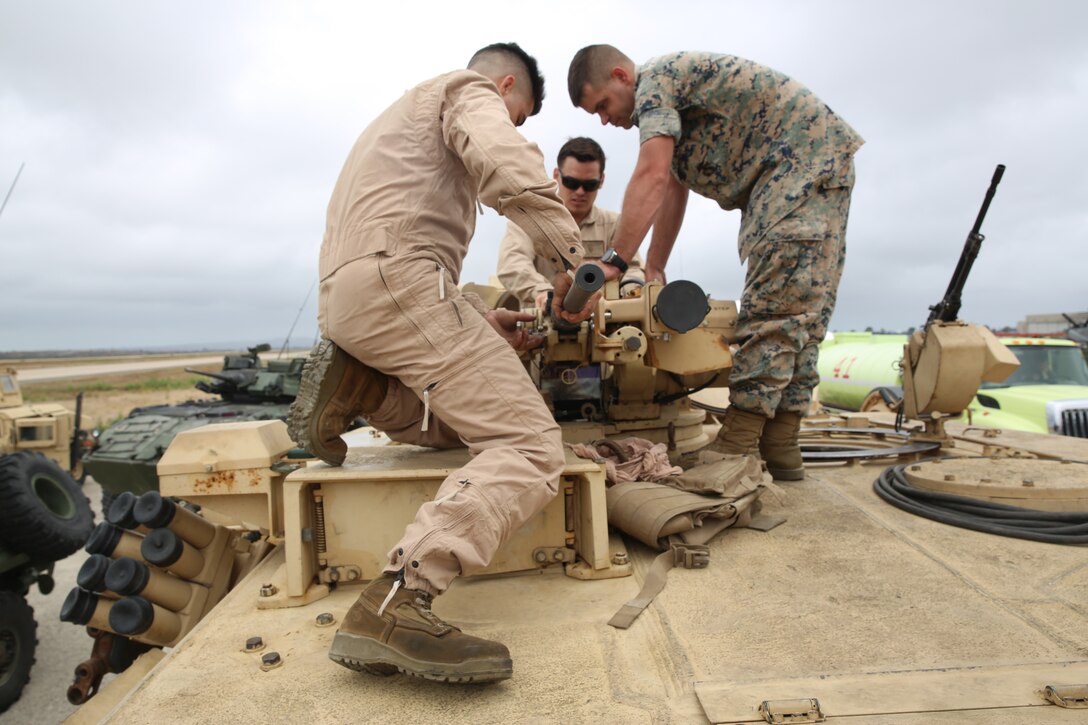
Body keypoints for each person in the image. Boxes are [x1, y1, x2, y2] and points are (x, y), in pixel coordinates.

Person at [288, 43, 595, 684]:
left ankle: (369, 389)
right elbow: (504, 161)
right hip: (403, 279)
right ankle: (397, 604)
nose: (515, 126)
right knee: (531, 444)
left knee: (458, 428)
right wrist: (577, 260)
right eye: (520, 114)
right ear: (506, 84)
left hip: (352, 301)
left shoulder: (396, 120)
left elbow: (395, 238)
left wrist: (481, 323)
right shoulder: (466, 89)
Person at [567, 45, 863, 481]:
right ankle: (781, 445)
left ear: (621, 76)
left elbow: (649, 174)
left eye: (603, 105)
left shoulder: (655, 85)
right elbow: (670, 185)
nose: (605, 120)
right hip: (815, 168)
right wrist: (654, 270)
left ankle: (738, 442)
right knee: (802, 315)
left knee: (775, 311)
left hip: (794, 172)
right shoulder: (673, 99)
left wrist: (614, 260)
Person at [497, 136, 643, 310]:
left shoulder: (615, 225)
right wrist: (544, 294)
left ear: (601, 181)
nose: (580, 192)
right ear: (556, 176)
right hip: (543, 326)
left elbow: (634, 269)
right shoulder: (530, 219)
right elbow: (513, 264)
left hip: (604, 327)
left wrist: (630, 293)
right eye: (572, 182)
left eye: (589, 185)